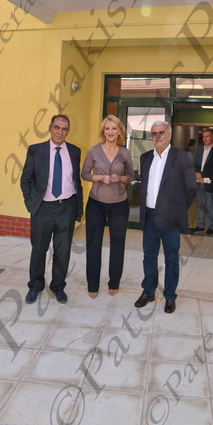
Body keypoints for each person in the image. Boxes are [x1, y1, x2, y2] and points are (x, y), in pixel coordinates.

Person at [134, 121, 197, 314]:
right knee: (148, 257)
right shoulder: (145, 158)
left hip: (172, 219)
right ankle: (148, 291)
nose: (157, 136)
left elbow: (191, 189)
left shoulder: (183, 157)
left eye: (161, 132)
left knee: (171, 259)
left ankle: (170, 296)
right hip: (149, 217)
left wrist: (177, 209)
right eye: (154, 133)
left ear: (169, 134)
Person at [20, 114, 83, 304]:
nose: (60, 132)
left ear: (68, 131)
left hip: (67, 207)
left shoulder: (75, 151)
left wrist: (77, 207)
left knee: (63, 251)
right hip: (43, 208)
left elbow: (76, 180)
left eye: (64, 129)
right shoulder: (36, 150)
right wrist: (31, 203)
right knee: (39, 250)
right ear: (50, 128)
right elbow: (26, 180)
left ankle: (58, 287)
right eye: (57, 127)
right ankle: (35, 286)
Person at [81, 115, 134, 298]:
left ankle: (114, 283)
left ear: (119, 131)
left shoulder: (125, 152)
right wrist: (99, 177)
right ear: (103, 131)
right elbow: (84, 174)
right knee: (93, 244)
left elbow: (131, 177)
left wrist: (120, 178)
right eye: (107, 128)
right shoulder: (94, 151)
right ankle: (92, 285)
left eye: (114, 128)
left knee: (118, 245)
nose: (110, 132)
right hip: (96, 202)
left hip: (119, 204)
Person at [192, 127, 213, 235]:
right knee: (200, 204)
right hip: (199, 181)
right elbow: (195, 163)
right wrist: (196, 175)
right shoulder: (199, 149)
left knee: (210, 206)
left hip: (210, 182)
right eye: (203, 137)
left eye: (207, 136)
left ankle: (211, 227)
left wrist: (202, 175)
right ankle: (200, 225)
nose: (205, 139)